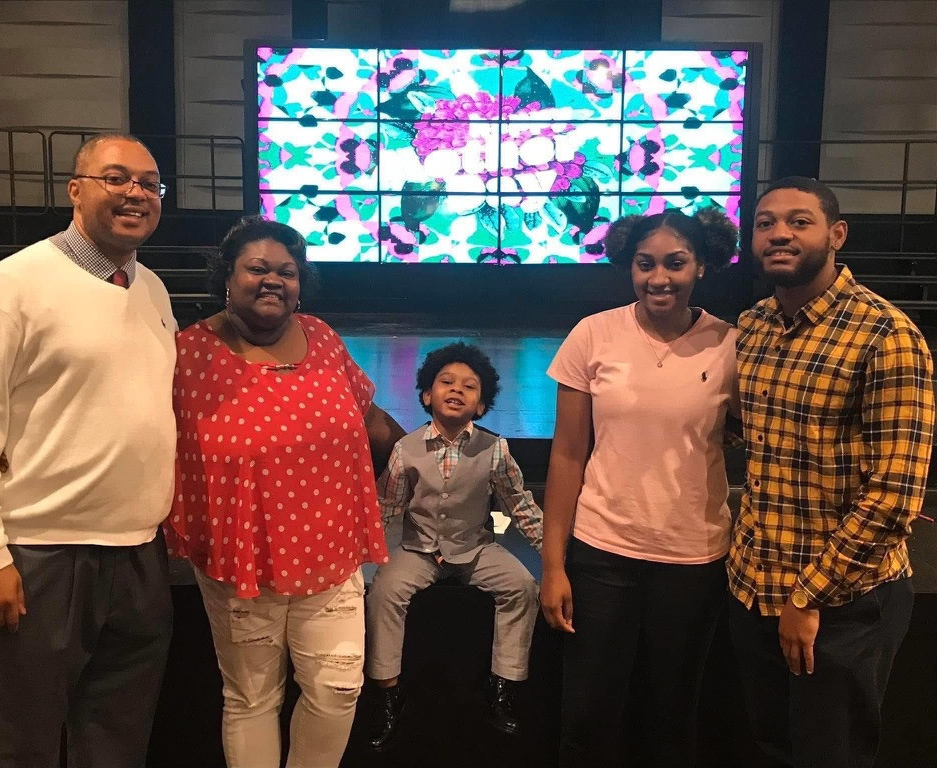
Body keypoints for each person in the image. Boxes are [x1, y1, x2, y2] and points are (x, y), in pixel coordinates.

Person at [0, 133, 177, 768]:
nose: (135, 193)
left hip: (139, 555)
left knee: (117, 747)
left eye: (149, 183)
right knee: (21, 747)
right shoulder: (13, 286)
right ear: (74, 190)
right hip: (42, 556)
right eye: (116, 178)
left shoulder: (152, 290)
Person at [166, 215, 404, 768]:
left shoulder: (322, 337)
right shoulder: (188, 354)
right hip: (242, 559)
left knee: (338, 690)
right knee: (252, 698)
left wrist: (429, 457)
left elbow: (368, 416)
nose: (273, 280)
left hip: (331, 549)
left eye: (287, 272)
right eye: (257, 268)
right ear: (227, 277)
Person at [728, 176, 934, 768]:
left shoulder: (887, 336)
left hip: (842, 603)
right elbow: (761, 441)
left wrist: (807, 596)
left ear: (837, 234)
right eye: (765, 223)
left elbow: (894, 497)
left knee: (831, 754)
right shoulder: (754, 325)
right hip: (752, 586)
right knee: (772, 748)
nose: (779, 234)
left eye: (799, 221)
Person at [540, 207, 739, 767]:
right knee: (586, 716)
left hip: (693, 559)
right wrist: (553, 565)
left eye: (676, 263)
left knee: (671, 716)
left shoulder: (730, 344)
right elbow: (567, 455)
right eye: (645, 264)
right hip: (602, 553)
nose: (659, 278)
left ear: (701, 265)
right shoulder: (593, 334)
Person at [363, 341, 544, 750]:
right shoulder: (406, 449)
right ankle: (387, 690)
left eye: (469, 386)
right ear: (428, 394)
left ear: (481, 405)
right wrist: (360, 556)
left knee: (521, 586)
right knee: (385, 592)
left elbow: (519, 505)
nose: (457, 389)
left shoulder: (495, 450)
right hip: (419, 550)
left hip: (475, 548)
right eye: (446, 382)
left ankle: (504, 683)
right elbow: (385, 507)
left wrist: (553, 555)